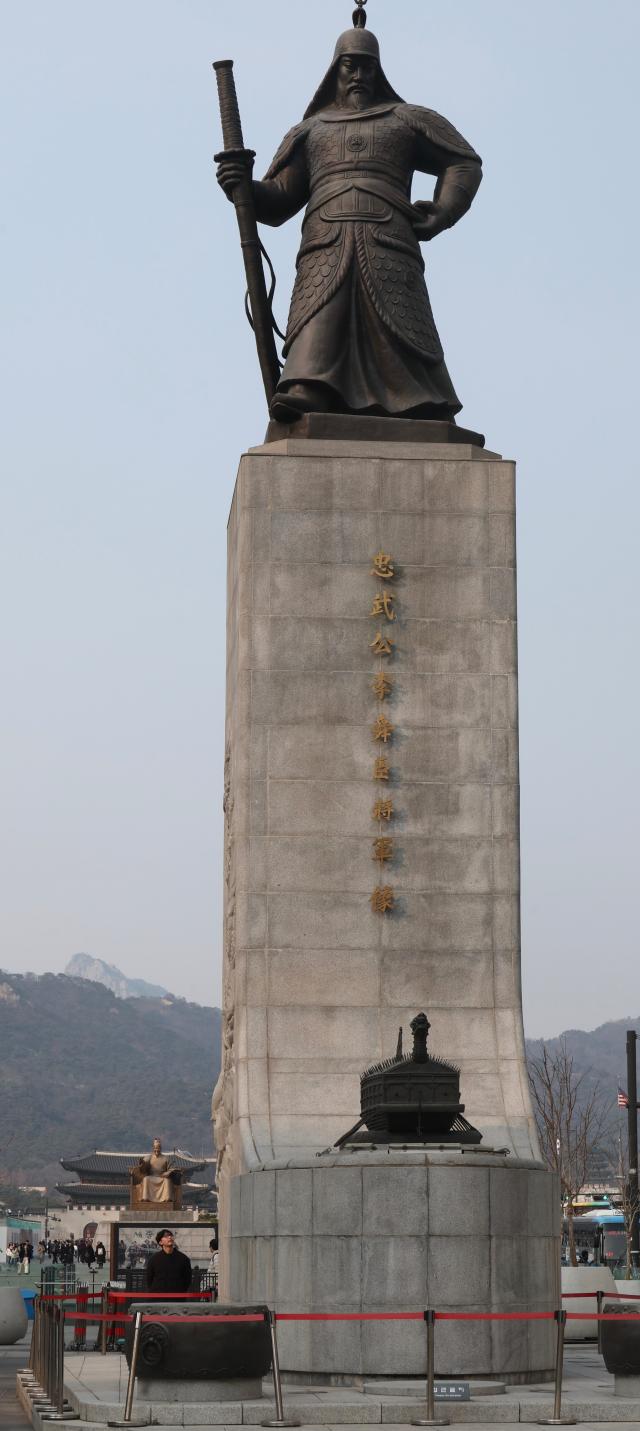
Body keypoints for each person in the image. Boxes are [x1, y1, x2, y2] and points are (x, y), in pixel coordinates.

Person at [217, 22, 482, 424]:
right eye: (350, 67)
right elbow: (280, 199)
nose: (359, 76)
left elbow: (463, 162)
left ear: (379, 72)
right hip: (326, 239)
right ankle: (308, 387)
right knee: (320, 314)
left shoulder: (406, 120)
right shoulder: (310, 131)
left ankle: (421, 400)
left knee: (400, 322)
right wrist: (244, 187)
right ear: (334, 71)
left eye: (366, 67)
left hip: (388, 239)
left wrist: (443, 212)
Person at [145, 1229, 191, 1294]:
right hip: (157, 1297)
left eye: (171, 1235)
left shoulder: (183, 1258)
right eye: (166, 1236)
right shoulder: (154, 1259)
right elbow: (149, 1279)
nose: (169, 1237)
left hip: (177, 1297)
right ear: (160, 1242)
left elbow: (187, 1279)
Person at [138, 1139, 176, 1204]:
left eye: (158, 1148)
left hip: (162, 1177)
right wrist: (142, 1163)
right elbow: (144, 1168)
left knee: (167, 1181)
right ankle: (146, 1198)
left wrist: (167, 1173)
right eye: (155, 1148)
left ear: (160, 1148)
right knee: (146, 1179)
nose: (157, 1150)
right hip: (151, 1176)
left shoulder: (166, 1158)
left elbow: (171, 1169)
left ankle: (167, 1198)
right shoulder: (148, 1157)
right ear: (153, 1148)